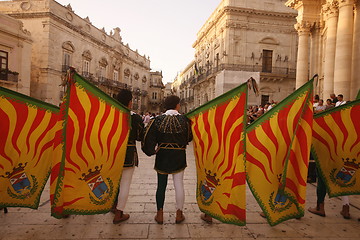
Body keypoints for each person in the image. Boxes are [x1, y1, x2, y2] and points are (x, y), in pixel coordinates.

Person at [142, 95, 192, 224]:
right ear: (177, 105)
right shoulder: (185, 120)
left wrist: (152, 151)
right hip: (179, 155)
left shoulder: (157, 120)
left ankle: (159, 215)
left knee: (161, 186)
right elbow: (189, 137)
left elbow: (148, 138)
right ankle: (179, 214)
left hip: (163, 155)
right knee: (179, 185)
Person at [112, 89, 144, 224]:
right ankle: (119, 213)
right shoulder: (135, 117)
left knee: (114, 182)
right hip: (129, 153)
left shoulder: (111, 114)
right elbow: (140, 136)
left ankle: (113, 205)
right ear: (130, 102)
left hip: (113, 153)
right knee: (125, 183)